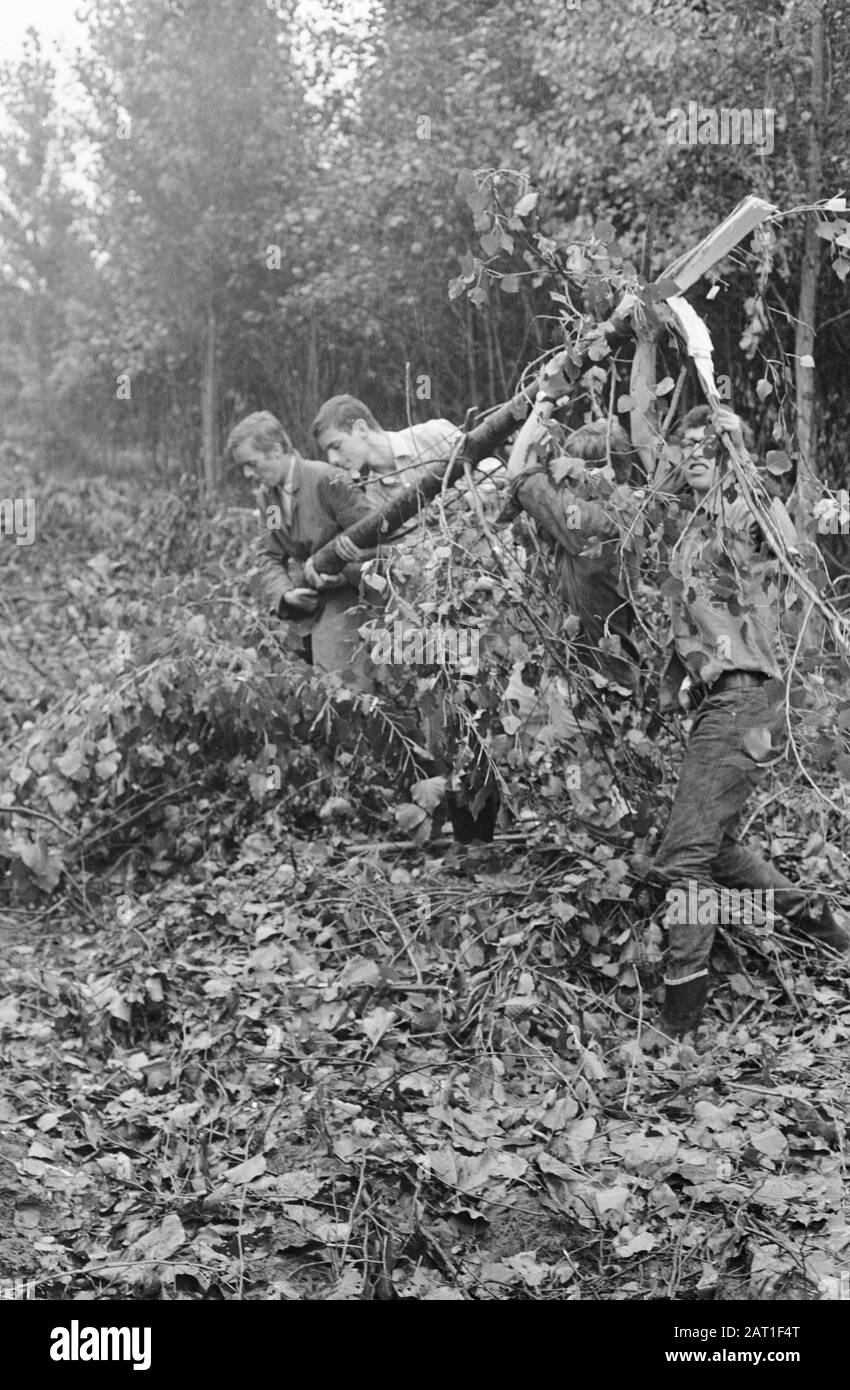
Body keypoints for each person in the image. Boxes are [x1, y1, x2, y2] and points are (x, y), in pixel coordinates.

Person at [508, 400, 848, 1039]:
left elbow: (784, 541)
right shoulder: (682, 525)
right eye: (686, 445)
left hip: (749, 699)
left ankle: (681, 1018)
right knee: (712, 848)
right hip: (720, 704)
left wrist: (741, 459)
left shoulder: (744, 512)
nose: (694, 454)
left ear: (729, 455)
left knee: (680, 861)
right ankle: (822, 923)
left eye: (707, 445)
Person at [503, 394, 642, 691]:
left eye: (569, 474)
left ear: (591, 476)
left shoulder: (592, 524)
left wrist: (546, 397)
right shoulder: (621, 514)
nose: (563, 483)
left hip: (592, 685)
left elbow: (517, 472)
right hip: (590, 675)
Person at [226, 411, 375, 685]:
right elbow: (271, 553)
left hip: (352, 599)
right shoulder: (270, 499)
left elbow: (379, 543)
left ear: (276, 450)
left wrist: (345, 574)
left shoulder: (327, 481)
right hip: (308, 602)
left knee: (341, 686)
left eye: (252, 464)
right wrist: (285, 594)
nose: (249, 474)